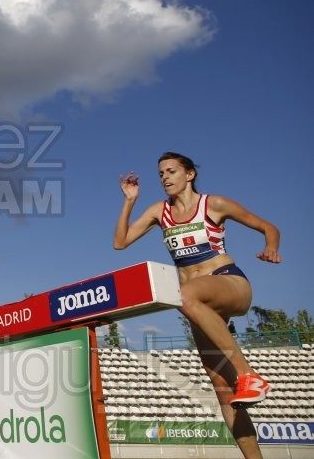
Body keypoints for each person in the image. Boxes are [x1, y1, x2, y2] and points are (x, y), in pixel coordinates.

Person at [114, 151, 281, 459]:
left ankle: (250, 374)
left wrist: (270, 247)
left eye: (171, 171)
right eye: (161, 173)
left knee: (185, 295)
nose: (165, 177)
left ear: (189, 174)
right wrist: (129, 200)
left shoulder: (213, 204)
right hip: (196, 304)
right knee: (222, 389)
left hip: (228, 283)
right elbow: (120, 242)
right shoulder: (158, 212)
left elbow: (268, 227)